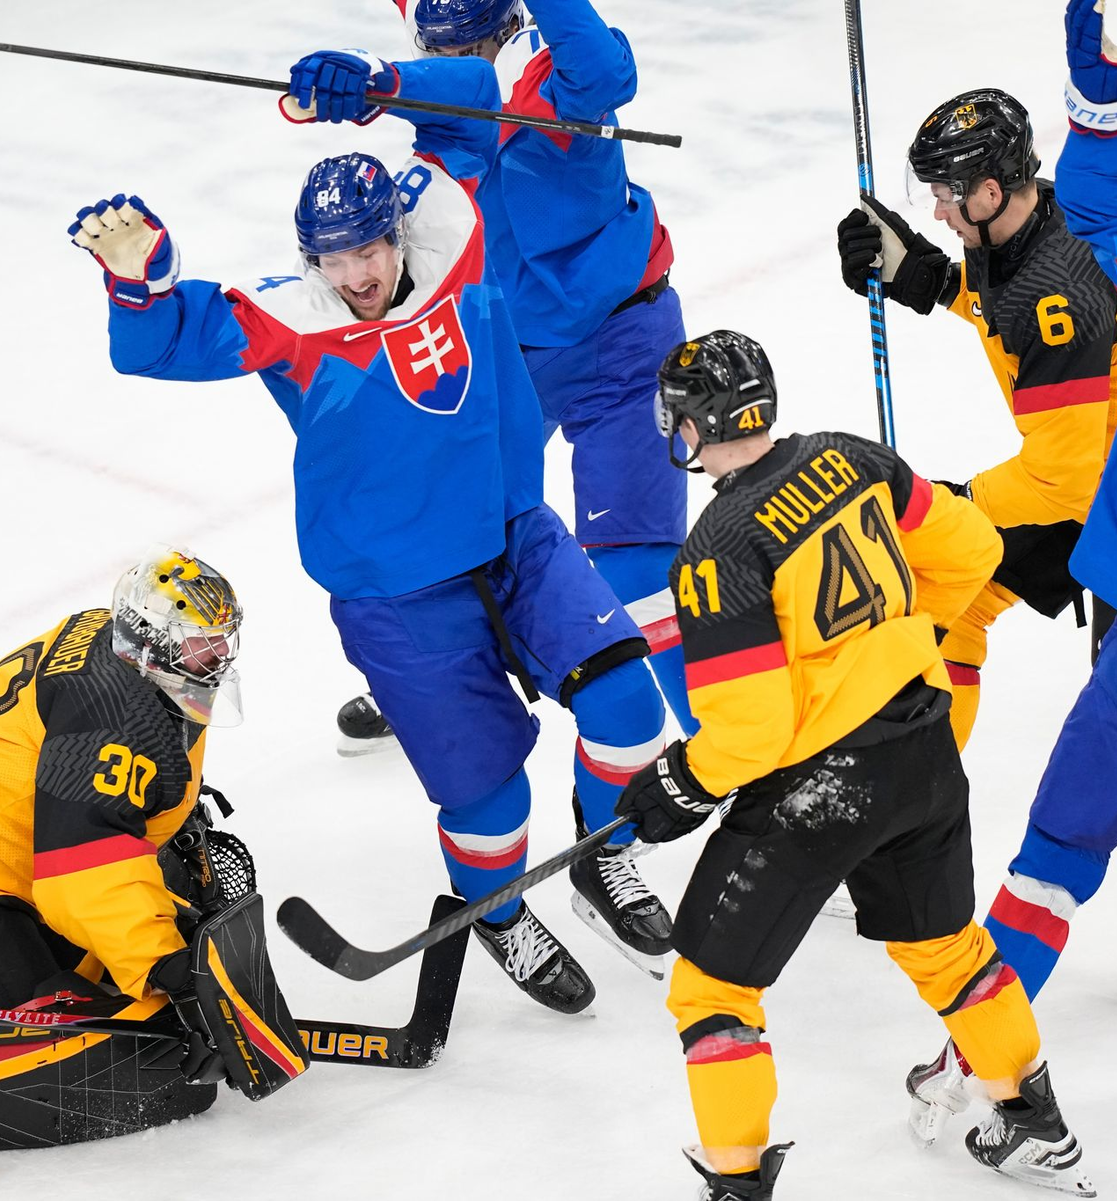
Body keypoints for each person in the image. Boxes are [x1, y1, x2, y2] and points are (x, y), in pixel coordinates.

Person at [69, 57, 674, 1007]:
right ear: (312, 260)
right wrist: (139, 282)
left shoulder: (454, 233)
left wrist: (383, 81)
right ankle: (503, 917)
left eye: (371, 248)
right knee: (491, 802)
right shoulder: (292, 321)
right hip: (402, 600)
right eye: (337, 257)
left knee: (631, 714)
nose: (360, 273)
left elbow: (471, 97)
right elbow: (155, 345)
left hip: (519, 541)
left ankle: (602, 858)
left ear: (396, 230)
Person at [612, 330, 1093, 1199]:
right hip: (924, 753)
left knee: (710, 989)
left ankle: (734, 1182)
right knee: (948, 949)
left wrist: (680, 782)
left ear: (689, 426)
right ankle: (1033, 1121)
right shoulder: (851, 456)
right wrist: (893, 645)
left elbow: (752, 735)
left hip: (821, 795)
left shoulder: (718, 547)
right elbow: (974, 549)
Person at [836, 84, 1117, 995]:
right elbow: (1002, 301)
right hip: (1115, 497)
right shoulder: (1034, 232)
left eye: (948, 195)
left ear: (993, 190)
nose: (938, 210)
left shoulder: (1056, 295)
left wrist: (942, 500)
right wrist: (926, 275)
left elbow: (1062, 479)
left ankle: (905, 825)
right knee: (943, 604)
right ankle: (907, 827)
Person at [909, 0, 1117, 1123]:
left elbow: (1099, 220)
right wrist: (931, 279)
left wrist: (943, 505)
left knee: (1060, 843)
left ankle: (976, 1047)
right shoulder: (1112, 257)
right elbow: (1091, 199)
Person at [293, 0, 696, 758]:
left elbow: (607, 69)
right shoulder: (449, 77)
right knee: (448, 517)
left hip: (620, 335)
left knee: (636, 563)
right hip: (512, 352)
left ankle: (731, 747)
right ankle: (436, 680)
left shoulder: (562, 72)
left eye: (475, 42)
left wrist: (387, 81)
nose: (462, 56)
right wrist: (359, 79)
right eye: (441, 45)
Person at [0, 547, 304, 1148]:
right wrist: (169, 969)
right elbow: (79, 865)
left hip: (28, 848)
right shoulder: (109, 714)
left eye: (223, 640)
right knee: (65, 1035)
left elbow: (108, 806)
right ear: (150, 640)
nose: (219, 657)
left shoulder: (121, 651)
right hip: (21, 878)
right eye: (202, 643)